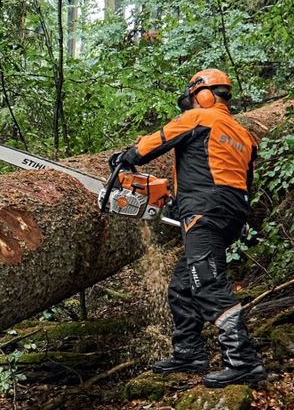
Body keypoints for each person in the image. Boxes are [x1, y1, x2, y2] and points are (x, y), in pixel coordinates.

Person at [111, 69, 267, 388]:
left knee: (207, 283)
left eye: (193, 98)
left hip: (205, 213)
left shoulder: (199, 117)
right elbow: (239, 182)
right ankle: (189, 352)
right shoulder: (244, 136)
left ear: (203, 94)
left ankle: (243, 361)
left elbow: (158, 141)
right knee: (182, 285)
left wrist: (125, 158)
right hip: (230, 212)